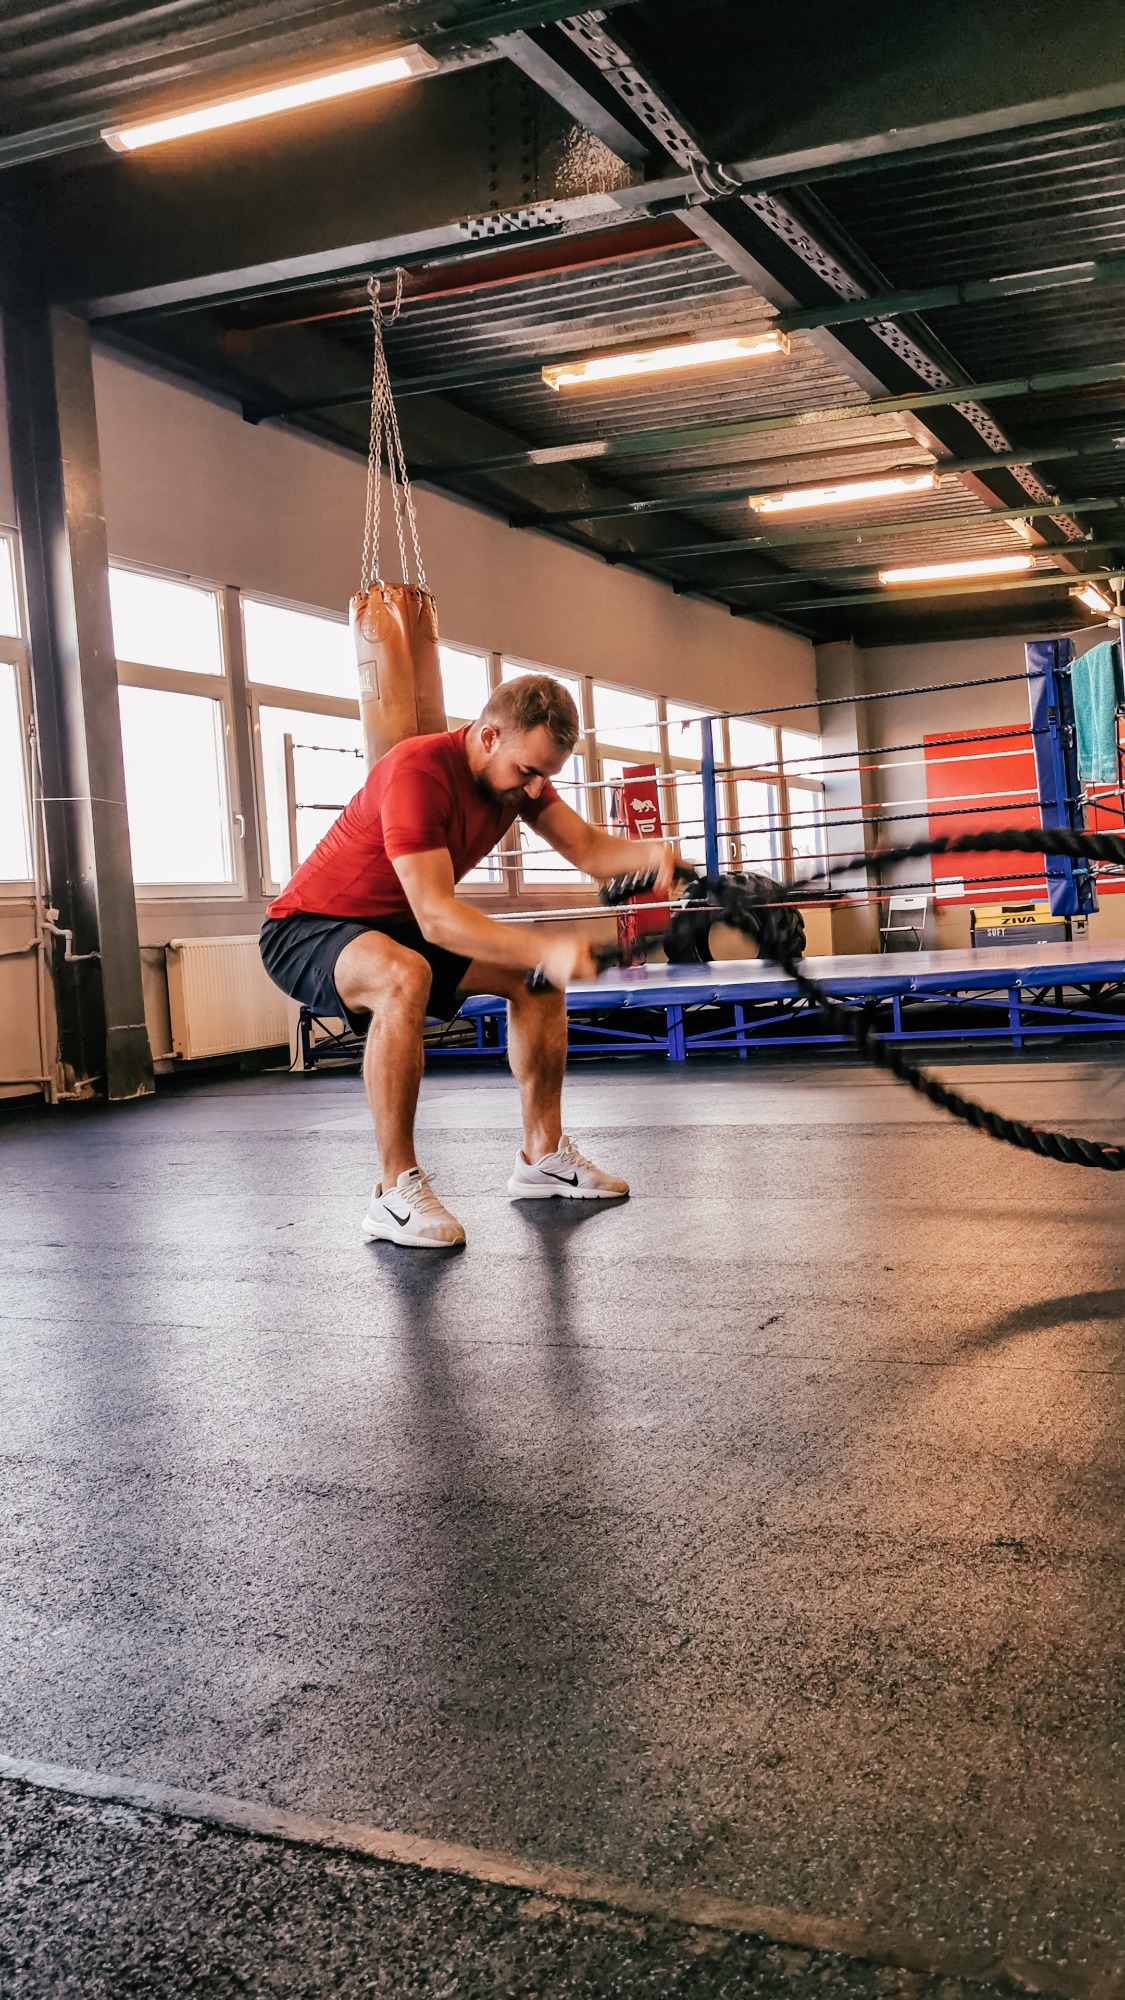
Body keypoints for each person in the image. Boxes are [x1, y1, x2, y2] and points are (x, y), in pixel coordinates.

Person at [261, 674, 681, 1249]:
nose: (536, 790)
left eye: (547, 777)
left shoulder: (513, 781)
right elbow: (435, 918)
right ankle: (393, 1192)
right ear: (488, 737)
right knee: (403, 975)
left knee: (537, 982)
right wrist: (548, 946)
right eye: (529, 772)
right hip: (308, 928)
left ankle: (542, 1157)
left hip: (400, 924)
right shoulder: (418, 774)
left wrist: (660, 858)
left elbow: (587, 849)